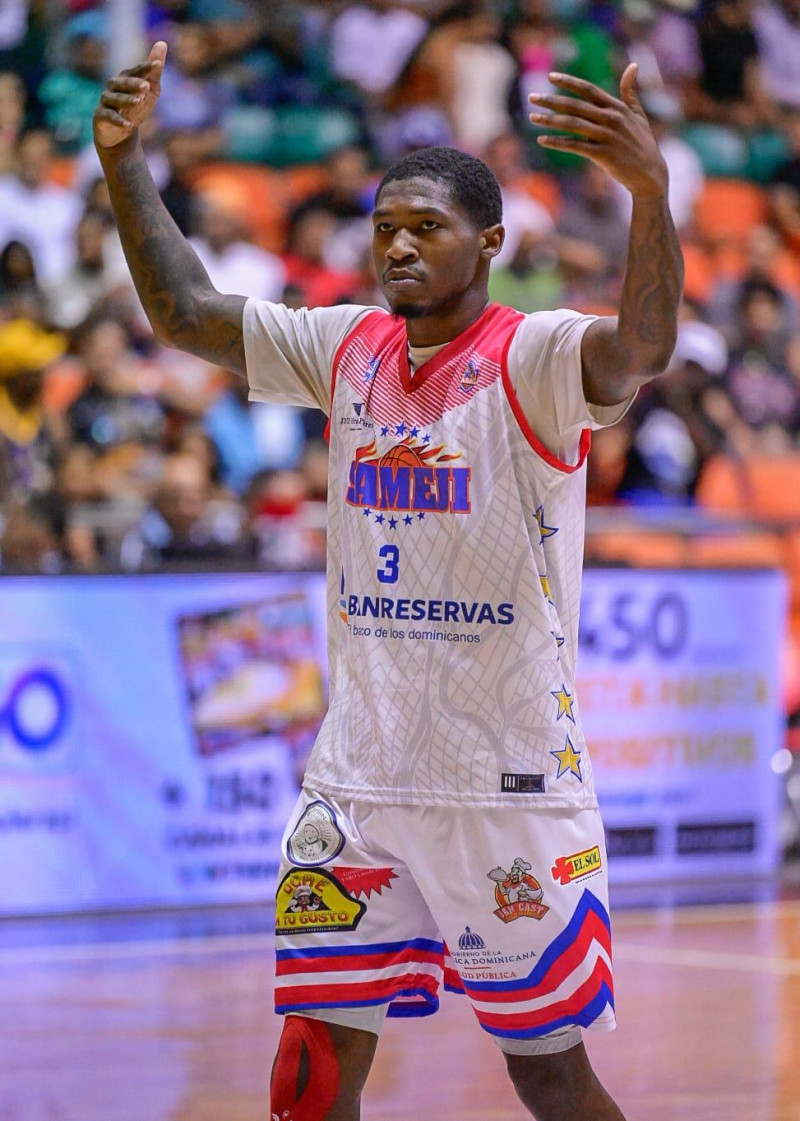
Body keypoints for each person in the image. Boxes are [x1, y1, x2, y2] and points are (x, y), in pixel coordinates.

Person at [93, 42, 682, 1121]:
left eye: (426, 227)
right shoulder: (346, 345)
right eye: (384, 229)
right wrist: (127, 164)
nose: (399, 247)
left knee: (546, 1073)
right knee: (309, 1070)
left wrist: (648, 194)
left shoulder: (537, 355)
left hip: (502, 780)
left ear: (490, 242)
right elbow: (184, 313)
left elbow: (641, 346)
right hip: (358, 776)